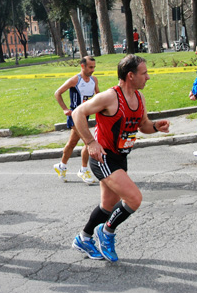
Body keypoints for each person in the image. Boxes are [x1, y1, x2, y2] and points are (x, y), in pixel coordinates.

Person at [71, 55, 170, 262]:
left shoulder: (139, 98)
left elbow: (142, 125)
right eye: (144, 73)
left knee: (108, 206)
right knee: (134, 198)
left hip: (120, 157)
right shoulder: (109, 97)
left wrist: (155, 127)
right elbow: (78, 113)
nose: (148, 77)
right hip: (103, 157)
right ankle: (106, 232)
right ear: (130, 75)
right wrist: (90, 142)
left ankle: (83, 238)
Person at [53, 56, 99, 184]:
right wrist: (65, 109)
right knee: (88, 142)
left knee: (72, 143)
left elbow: (98, 96)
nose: (93, 70)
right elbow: (58, 93)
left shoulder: (94, 80)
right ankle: (83, 170)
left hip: (85, 116)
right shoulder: (75, 80)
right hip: (75, 116)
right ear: (82, 66)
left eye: (94, 67)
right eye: (90, 67)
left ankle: (61, 166)